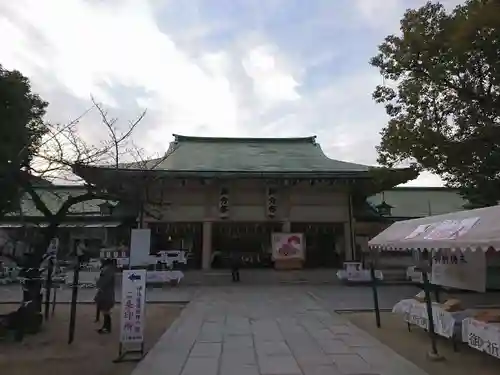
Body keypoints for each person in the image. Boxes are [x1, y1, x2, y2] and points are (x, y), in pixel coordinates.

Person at [94, 258, 115, 334]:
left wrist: (97, 282)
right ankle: (105, 327)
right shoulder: (109, 269)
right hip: (106, 293)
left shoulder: (107, 270)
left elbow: (102, 282)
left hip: (106, 294)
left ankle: (107, 328)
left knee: (105, 311)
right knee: (105, 311)